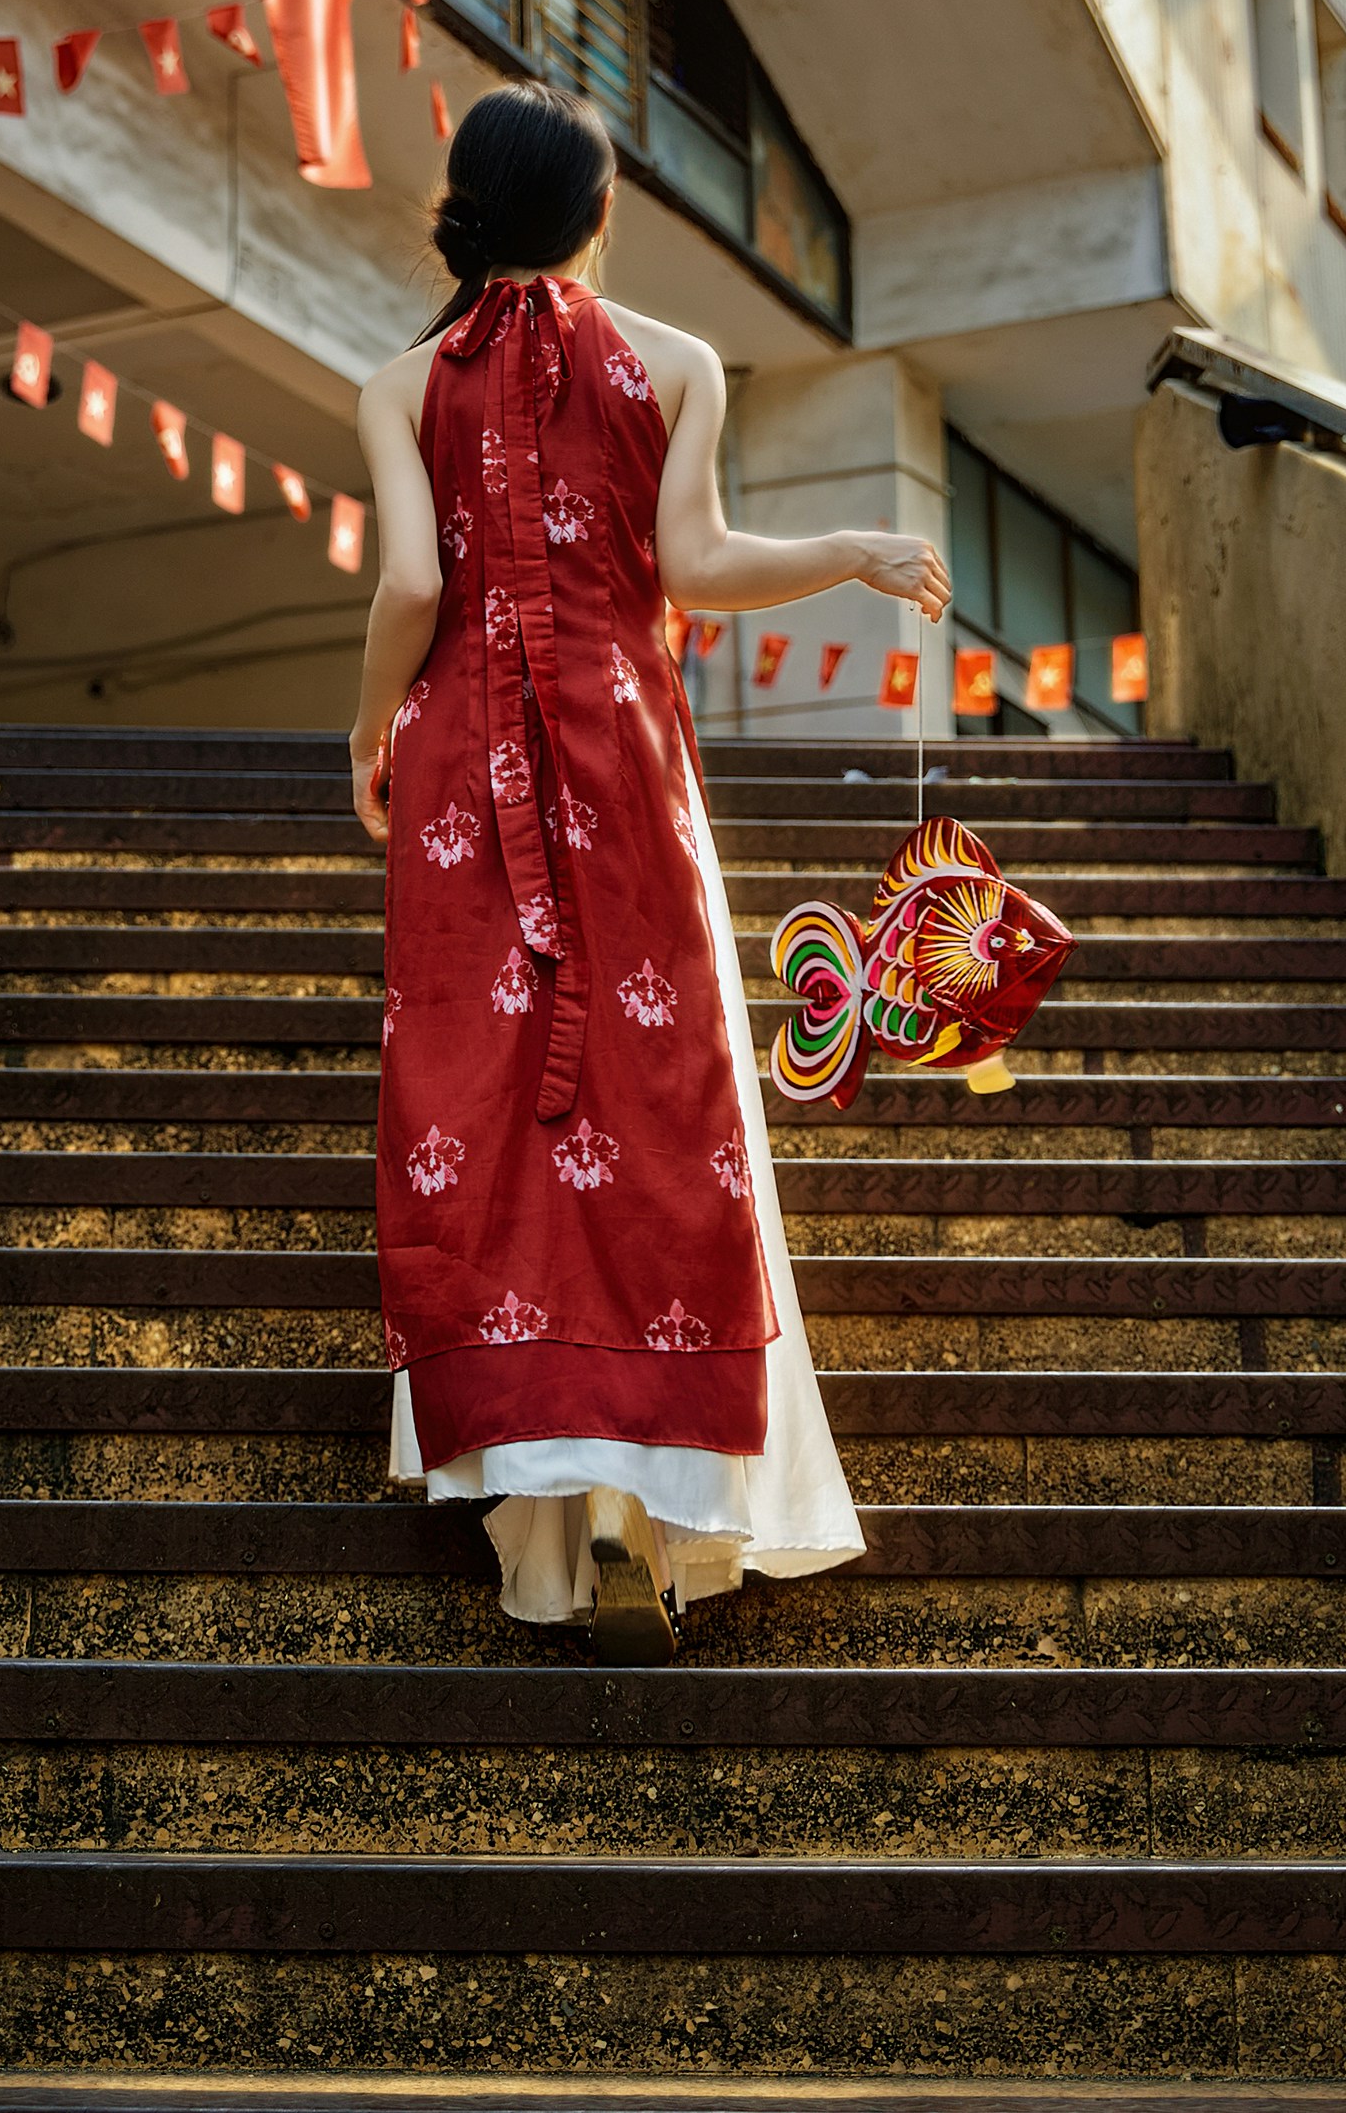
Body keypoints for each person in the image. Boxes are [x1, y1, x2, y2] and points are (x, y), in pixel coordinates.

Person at [349, 80, 950, 1660]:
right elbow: (694, 569)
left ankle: (540, 1553)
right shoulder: (673, 364)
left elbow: (413, 581)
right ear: (599, 216)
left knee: (483, 1106)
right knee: (656, 1100)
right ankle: (675, 1520)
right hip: (626, 765)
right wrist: (853, 549)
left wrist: (368, 730)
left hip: (466, 777)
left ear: (464, 210)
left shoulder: (400, 382)